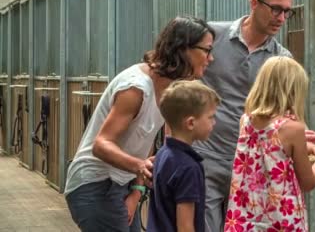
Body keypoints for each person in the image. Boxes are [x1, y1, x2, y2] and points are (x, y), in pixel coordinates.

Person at [194, 0, 315, 231]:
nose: (281, 18)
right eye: (276, 9)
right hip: (205, 155)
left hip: (250, 168)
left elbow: (289, 111)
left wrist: (303, 141)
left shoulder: (281, 58)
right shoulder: (212, 36)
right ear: (254, 3)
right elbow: (183, 81)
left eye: (287, 12)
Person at [64, 16, 215, 232]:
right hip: (97, 184)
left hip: (122, 185)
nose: (211, 58)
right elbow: (101, 144)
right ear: (184, 49)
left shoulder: (171, 88)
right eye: (207, 50)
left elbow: (156, 144)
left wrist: (136, 191)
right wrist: (140, 166)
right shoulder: (136, 88)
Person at [223, 56, 315, 231]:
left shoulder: (245, 121)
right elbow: (307, 182)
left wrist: (307, 147)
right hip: (280, 220)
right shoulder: (293, 129)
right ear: (293, 91)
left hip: (246, 219)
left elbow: (268, 150)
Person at [147, 80, 220, 232]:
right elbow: (185, 226)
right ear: (191, 123)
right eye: (210, 117)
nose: (214, 123)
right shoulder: (188, 168)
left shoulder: (162, 154)